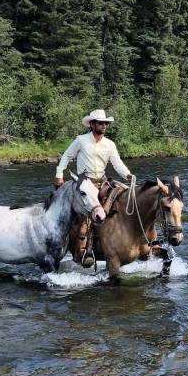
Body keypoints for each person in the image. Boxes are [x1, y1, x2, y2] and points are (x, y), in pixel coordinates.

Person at [55, 109, 135, 265]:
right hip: (84, 183)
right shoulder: (81, 140)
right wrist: (59, 175)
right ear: (92, 124)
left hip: (102, 181)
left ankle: (135, 240)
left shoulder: (110, 144)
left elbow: (117, 163)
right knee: (88, 212)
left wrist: (128, 175)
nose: (104, 126)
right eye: (100, 123)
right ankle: (85, 248)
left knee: (127, 196)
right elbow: (66, 156)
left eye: (105, 123)